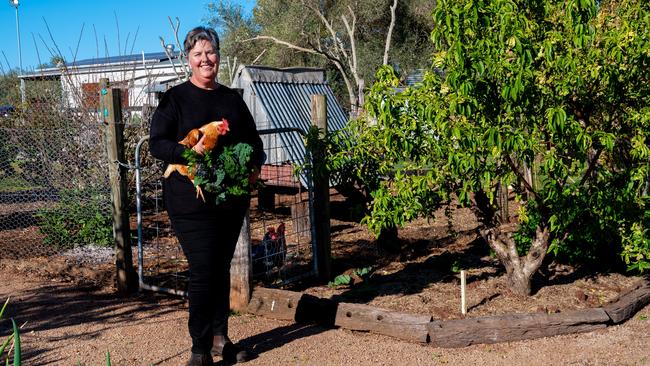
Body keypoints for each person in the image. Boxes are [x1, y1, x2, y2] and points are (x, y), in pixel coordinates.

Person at [149, 26, 264, 366]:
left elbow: (254, 142)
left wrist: (255, 165)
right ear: (188, 60)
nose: (205, 59)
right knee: (202, 269)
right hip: (189, 198)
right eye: (198, 54)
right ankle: (199, 348)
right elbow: (158, 143)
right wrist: (191, 153)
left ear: (218, 56)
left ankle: (220, 338)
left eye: (210, 52)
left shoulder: (231, 99)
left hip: (229, 198)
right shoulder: (175, 99)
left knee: (221, 267)